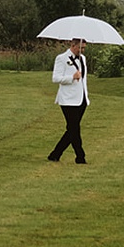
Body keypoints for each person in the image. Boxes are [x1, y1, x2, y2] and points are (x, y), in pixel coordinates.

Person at [46, 36, 89, 164]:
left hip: (81, 99)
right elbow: (56, 78)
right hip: (68, 99)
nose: (82, 51)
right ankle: (80, 156)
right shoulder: (61, 58)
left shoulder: (83, 59)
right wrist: (71, 77)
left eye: (84, 48)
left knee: (72, 129)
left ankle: (55, 154)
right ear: (73, 45)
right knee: (74, 128)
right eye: (80, 48)